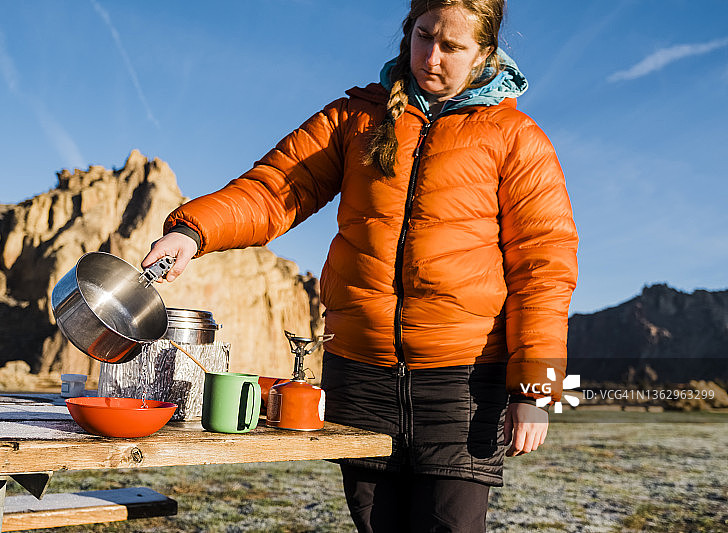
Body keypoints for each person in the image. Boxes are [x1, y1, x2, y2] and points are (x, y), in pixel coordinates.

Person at [142, 0, 578, 531]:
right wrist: (192, 231)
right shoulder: (355, 118)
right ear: (409, 31)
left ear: (485, 53)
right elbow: (278, 188)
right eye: (423, 36)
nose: (431, 56)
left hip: (463, 386)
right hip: (359, 377)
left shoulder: (516, 139)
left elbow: (546, 267)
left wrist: (534, 390)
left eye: (453, 46)